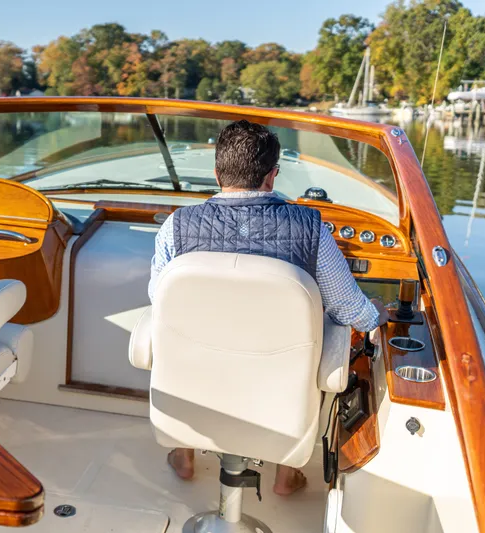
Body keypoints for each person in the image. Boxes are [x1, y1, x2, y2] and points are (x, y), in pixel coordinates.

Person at [148, 119, 389, 496]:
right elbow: (348, 310)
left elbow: (158, 297)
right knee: (310, 337)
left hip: (198, 370)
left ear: (216, 173)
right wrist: (376, 314)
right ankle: (285, 474)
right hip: (276, 381)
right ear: (272, 176)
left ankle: (185, 453)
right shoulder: (312, 229)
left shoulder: (176, 227)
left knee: (192, 333)